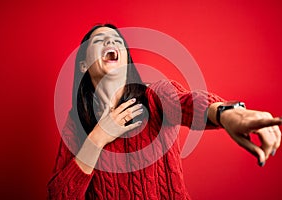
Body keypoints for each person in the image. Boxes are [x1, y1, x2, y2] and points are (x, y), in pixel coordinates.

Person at [47, 24, 282, 199]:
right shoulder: (76, 123)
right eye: (100, 41)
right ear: (83, 64)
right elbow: (59, 195)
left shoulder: (155, 95)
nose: (112, 42)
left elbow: (188, 102)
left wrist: (227, 112)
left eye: (117, 40)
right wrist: (98, 138)